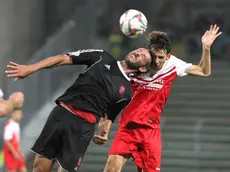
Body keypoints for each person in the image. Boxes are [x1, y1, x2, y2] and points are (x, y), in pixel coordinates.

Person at [93, 25, 222, 172]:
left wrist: (206, 47)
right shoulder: (135, 64)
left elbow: (204, 71)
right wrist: (104, 126)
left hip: (150, 131)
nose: (158, 61)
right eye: (154, 57)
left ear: (167, 56)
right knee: (111, 169)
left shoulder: (173, 64)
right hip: (127, 129)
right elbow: (112, 93)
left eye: (162, 57)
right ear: (149, 53)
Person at [6, 48, 155, 172]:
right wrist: (30, 68)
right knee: (39, 167)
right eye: (139, 50)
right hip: (61, 113)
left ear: (142, 68)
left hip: (82, 127)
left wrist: (104, 133)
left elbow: (109, 117)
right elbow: (63, 59)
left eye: (143, 56)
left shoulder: (127, 93)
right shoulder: (101, 56)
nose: (139, 52)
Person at [3, 92, 27, 172]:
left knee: (23, 168)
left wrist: (19, 152)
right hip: (10, 153)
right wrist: (14, 153)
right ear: (13, 114)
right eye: (18, 114)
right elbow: (7, 141)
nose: (20, 116)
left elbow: (17, 141)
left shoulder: (16, 125)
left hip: (16, 151)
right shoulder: (9, 125)